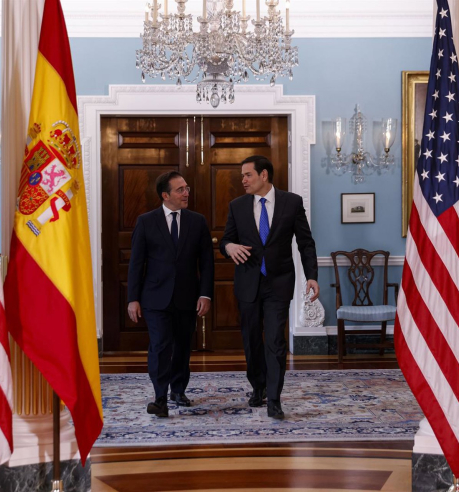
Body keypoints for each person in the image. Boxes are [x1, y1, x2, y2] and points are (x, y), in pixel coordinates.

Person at [220, 155, 319, 420]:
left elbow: (305, 242)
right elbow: (226, 241)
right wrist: (229, 247)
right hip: (248, 284)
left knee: (275, 341)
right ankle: (258, 386)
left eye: (247, 175)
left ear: (263, 175)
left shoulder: (292, 202)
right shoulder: (237, 206)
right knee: (252, 341)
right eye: (242, 176)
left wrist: (311, 276)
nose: (243, 180)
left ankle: (274, 399)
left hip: (279, 284)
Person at [127, 171, 214, 418]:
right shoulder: (146, 221)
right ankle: (160, 397)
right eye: (180, 190)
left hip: (187, 297)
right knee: (160, 345)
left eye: (187, 188)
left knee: (183, 346)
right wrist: (133, 298)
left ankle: (178, 390)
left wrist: (205, 294)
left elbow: (206, 263)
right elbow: (136, 263)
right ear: (165, 195)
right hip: (155, 297)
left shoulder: (197, 221)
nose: (186, 193)